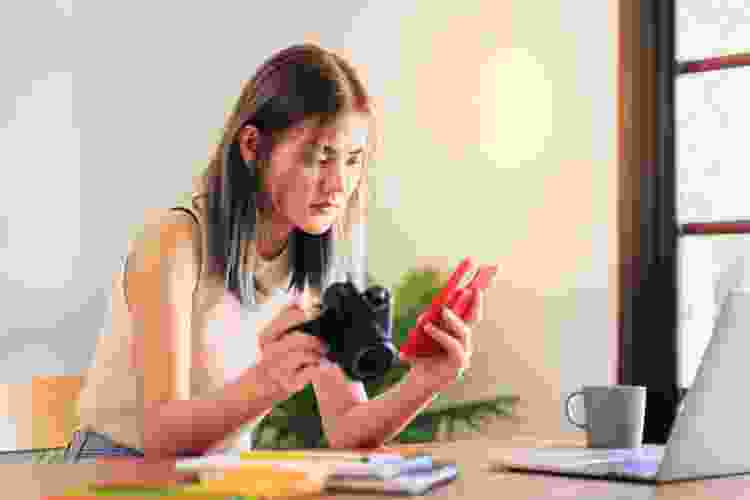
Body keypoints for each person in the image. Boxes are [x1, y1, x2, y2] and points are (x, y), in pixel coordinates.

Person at [67, 43, 487, 463]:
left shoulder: (310, 261)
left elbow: (346, 425)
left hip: (214, 479)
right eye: (320, 158)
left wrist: (429, 378)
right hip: (113, 472)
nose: (339, 183)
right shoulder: (174, 244)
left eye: (353, 161)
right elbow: (162, 436)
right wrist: (269, 380)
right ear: (252, 146)